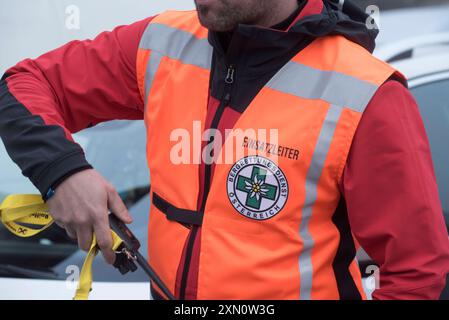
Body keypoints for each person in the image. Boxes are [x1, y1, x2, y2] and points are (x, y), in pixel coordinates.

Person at [1, 0, 449, 300]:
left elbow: (416, 270)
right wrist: (61, 172)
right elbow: (22, 86)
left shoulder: (368, 92)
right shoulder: (162, 42)